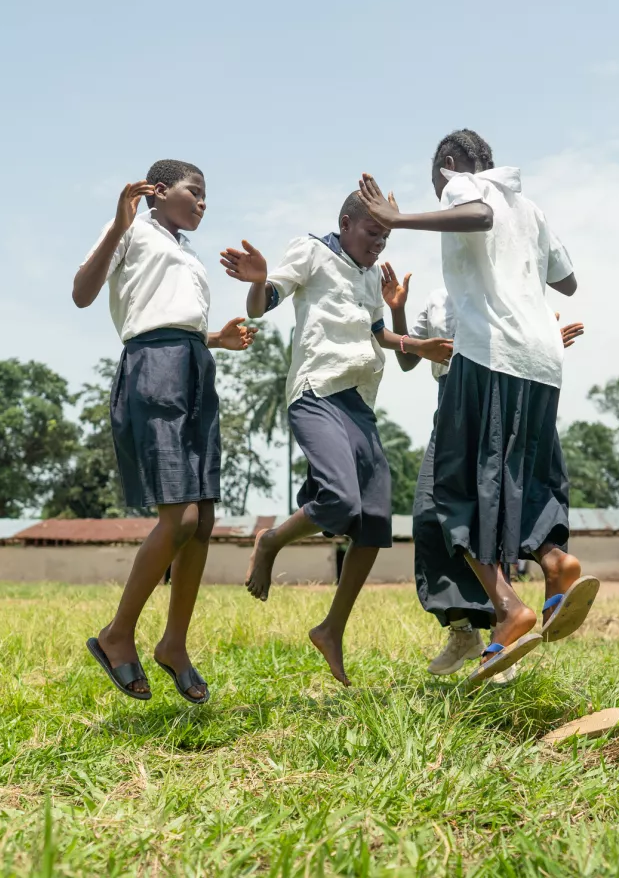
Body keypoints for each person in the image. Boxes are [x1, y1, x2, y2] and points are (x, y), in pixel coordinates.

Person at [358, 129, 599, 684]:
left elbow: (478, 218)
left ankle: (508, 607)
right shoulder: (529, 205)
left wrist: (397, 220)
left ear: (447, 164)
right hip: (542, 360)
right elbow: (566, 280)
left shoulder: (462, 184)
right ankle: (557, 564)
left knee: (452, 492)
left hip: (489, 355)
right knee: (527, 479)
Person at [219, 192, 452, 686]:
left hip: (360, 403)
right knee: (340, 499)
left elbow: (377, 334)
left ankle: (331, 629)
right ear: (346, 224)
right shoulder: (311, 251)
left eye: (385, 237)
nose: (378, 244)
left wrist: (416, 342)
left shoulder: (370, 276)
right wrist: (259, 281)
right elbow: (263, 305)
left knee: (373, 520)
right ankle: (271, 541)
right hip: (317, 391)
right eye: (372, 233)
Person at [76, 159, 256, 705]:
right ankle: (117, 634)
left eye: (206, 195)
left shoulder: (187, 252)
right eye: (194, 191)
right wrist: (117, 221)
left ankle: (174, 643)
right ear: (157, 191)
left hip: (194, 365)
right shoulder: (132, 230)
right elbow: (84, 293)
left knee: (202, 521)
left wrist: (214, 339)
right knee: (178, 517)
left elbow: (174, 315)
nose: (203, 202)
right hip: (153, 368)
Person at [393, 285, 583, 682]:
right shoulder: (440, 295)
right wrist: (399, 313)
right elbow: (406, 360)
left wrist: (546, 341)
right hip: (452, 398)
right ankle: (466, 630)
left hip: (488, 394)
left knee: (478, 507)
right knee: (432, 516)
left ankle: (506, 621)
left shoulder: (506, 285)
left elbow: (533, 335)